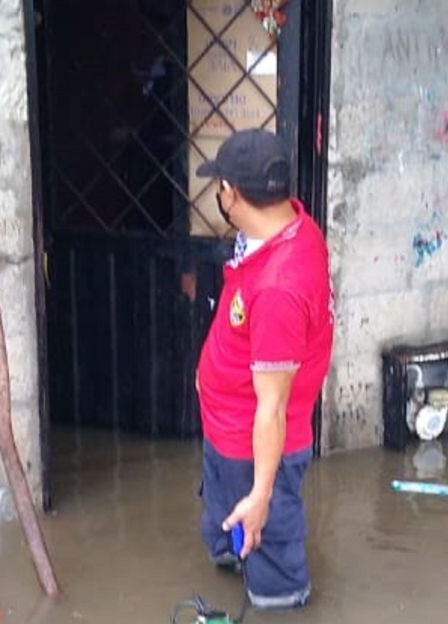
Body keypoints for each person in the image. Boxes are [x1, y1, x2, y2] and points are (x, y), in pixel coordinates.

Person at [194, 129, 334, 610]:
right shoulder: (293, 225)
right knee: (225, 521)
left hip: (253, 445)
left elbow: (271, 409)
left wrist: (260, 495)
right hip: (226, 427)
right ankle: (232, 552)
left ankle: (277, 595)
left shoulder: (279, 289)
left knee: (273, 572)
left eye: (219, 186)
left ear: (230, 193)